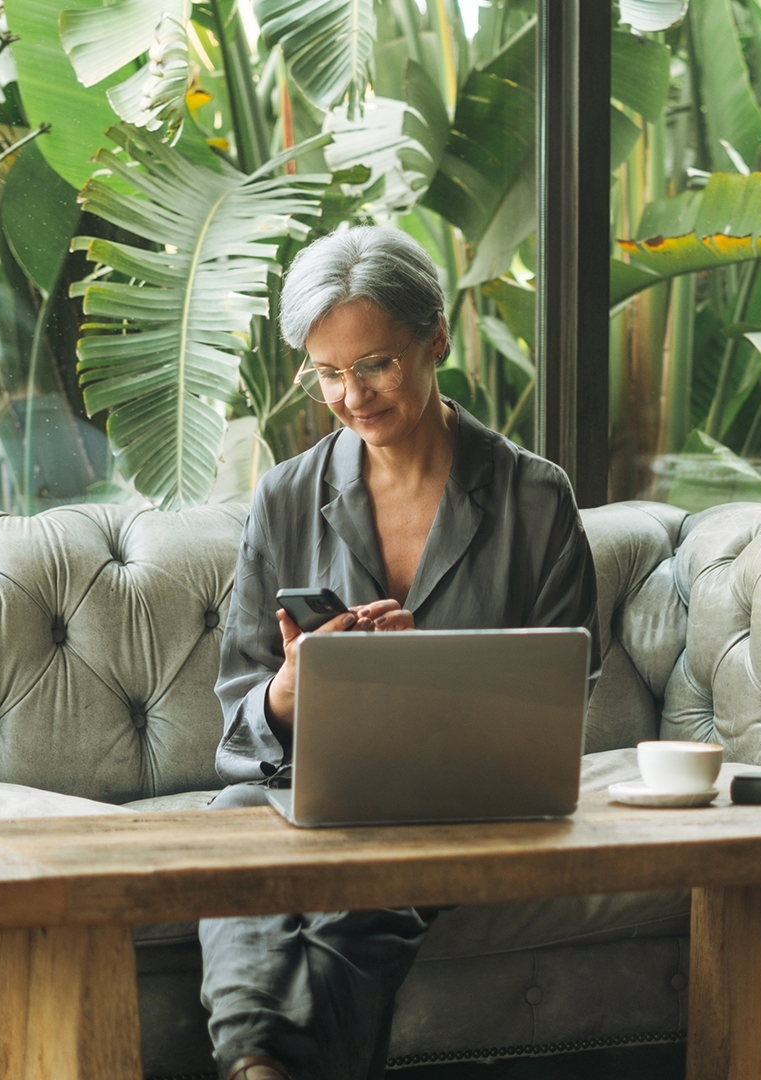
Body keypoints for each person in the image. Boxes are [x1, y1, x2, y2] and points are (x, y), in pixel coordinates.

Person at [200, 225, 598, 1080]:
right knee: (233, 851)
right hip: (301, 788)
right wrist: (288, 693)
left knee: (363, 893)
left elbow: (567, 694)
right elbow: (238, 716)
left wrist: (429, 686)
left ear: (436, 341)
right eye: (328, 373)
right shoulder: (285, 497)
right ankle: (256, 1063)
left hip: (463, 802)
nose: (352, 396)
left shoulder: (534, 497)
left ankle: (257, 1067)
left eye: (374, 364)